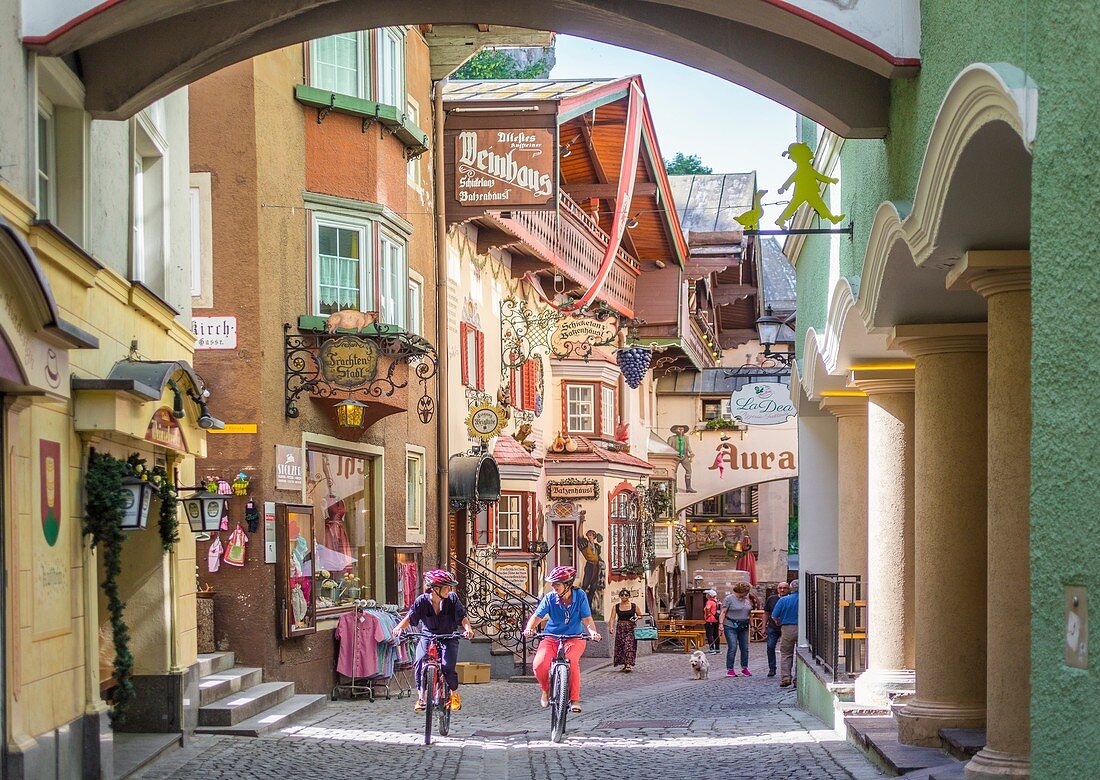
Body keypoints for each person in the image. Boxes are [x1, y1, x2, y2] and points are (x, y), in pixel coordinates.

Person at [392, 569, 474, 713]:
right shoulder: (422, 601)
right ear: (436, 589)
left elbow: (463, 617)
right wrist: (399, 628)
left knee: (448, 667)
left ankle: (454, 694)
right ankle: (421, 697)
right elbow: (410, 618)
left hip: (448, 636)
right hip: (427, 635)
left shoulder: (452, 599)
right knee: (419, 661)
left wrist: (468, 630)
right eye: (446, 587)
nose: (449, 590)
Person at [523, 566, 602, 713]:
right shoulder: (550, 597)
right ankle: (546, 690)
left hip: (574, 638)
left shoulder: (580, 596)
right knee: (539, 664)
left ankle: (574, 700)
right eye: (552, 584)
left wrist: (592, 632)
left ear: (568, 584)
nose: (553, 587)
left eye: (557, 584)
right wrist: (530, 628)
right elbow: (537, 616)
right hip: (551, 637)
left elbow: (587, 619)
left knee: (571, 662)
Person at [718, 581, 760, 677]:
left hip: (744, 625)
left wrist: (752, 626)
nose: (748, 593)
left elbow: (749, 614)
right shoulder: (729, 599)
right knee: (733, 647)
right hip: (730, 625)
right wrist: (721, 624)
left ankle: (744, 667)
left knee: (745, 648)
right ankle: (730, 669)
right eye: (746, 591)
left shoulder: (747, 599)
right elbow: (723, 612)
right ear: (742, 591)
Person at [771, 580, 800, 687]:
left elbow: (774, 615)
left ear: (791, 588)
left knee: (786, 654)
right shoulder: (805, 600)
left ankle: (786, 677)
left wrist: (778, 622)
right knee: (801, 654)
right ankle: (798, 679)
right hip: (803, 629)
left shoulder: (783, 600)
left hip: (787, 628)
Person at [608, 588, 639, 672]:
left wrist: (636, 618)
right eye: (622, 595)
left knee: (629, 645)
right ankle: (625, 664)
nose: (624, 596)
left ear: (629, 596)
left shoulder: (633, 606)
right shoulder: (616, 606)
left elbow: (640, 615)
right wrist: (611, 627)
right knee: (621, 646)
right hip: (620, 628)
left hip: (631, 627)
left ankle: (629, 664)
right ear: (620, 596)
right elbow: (612, 618)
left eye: (626, 595)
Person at [763, 581, 789, 677]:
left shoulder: (790, 599)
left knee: (786, 649)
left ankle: (786, 670)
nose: (782, 590)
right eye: (780, 588)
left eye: (784, 588)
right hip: (772, 627)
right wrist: (763, 627)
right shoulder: (772, 599)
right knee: (770, 646)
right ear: (777, 589)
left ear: (788, 589)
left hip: (786, 626)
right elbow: (766, 613)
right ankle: (772, 668)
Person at [703, 589, 721, 654]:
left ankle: (711, 649)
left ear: (709, 595)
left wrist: (707, 615)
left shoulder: (709, 602)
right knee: (716, 634)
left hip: (710, 620)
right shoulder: (717, 601)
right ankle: (717, 649)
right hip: (716, 620)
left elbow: (708, 608)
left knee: (709, 635)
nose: (706, 595)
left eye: (707, 594)